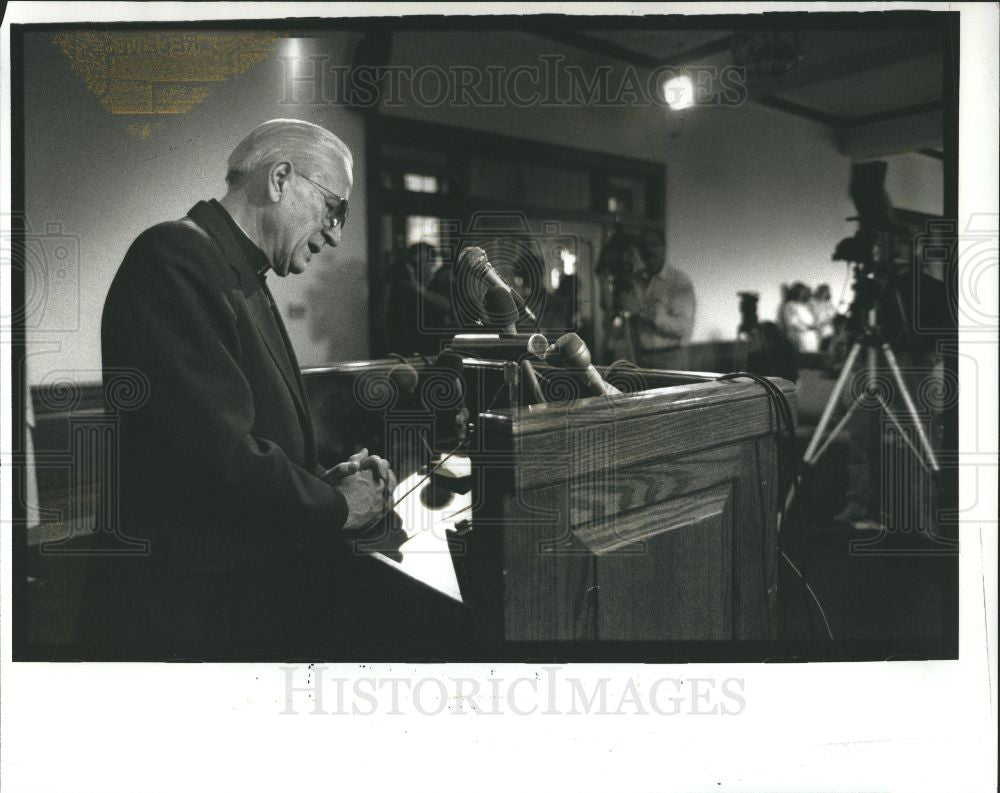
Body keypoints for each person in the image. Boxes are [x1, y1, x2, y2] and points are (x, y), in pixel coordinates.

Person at [94, 119, 396, 658]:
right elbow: (216, 456)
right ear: (280, 178)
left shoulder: (234, 268)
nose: (336, 235)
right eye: (335, 209)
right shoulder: (174, 256)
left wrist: (322, 482)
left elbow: (243, 428)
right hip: (189, 611)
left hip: (229, 594)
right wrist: (335, 507)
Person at [599, 227, 696, 369]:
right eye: (644, 245)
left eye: (654, 244)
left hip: (671, 359)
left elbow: (683, 328)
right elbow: (611, 323)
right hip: (638, 359)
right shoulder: (634, 281)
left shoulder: (679, 282)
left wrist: (641, 311)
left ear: (664, 247)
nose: (649, 250)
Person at [780, 282, 821, 353]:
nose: (802, 294)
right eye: (801, 292)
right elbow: (792, 323)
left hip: (811, 336)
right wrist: (808, 327)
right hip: (800, 336)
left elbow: (812, 319)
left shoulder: (804, 305)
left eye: (804, 292)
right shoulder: (790, 305)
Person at [810, 283, 838, 350]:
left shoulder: (829, 303)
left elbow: (834, 314)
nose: (824, 293)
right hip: (817, 330)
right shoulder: (812, 302)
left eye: (826, 292)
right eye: (823, 291)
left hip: (828, 331)